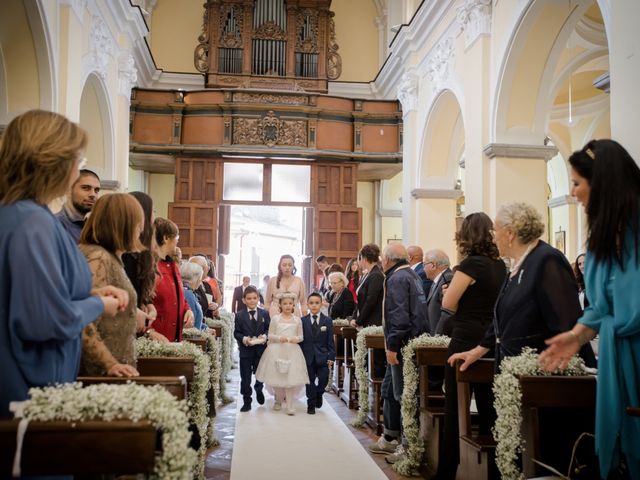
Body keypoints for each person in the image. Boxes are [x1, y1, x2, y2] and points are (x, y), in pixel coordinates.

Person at [0, 110, 126, 417]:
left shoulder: (27, 215)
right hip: (30, 389)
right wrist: (98, 307)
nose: (76, 171)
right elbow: (43, 321)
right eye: (77, 162)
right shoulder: (32, 222)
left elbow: (40, 296)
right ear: (53, 162)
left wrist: (90, 296)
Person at [540, 139, 640, 480]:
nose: (574, 192)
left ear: (602, 184)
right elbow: (604, 305)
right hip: (617, 350)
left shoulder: (634, 232)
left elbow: (629, 304)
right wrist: (576, 335)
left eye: (578, 183)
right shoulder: (604, 234)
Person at [435, 212, 507, 480]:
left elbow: (448, 304)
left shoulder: (470, 265)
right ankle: (494, 472)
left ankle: (447, 472)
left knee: (454, 405)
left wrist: (448, 293)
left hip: (465, 337)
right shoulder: (500, 265)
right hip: (490, 339)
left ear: (466, 235)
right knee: (489, 404)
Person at [368, 243, 428, 466]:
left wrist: (392, 346)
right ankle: (391, 436)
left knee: (402, 395)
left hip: (402, 345)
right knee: (389, 390)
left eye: (383, 258)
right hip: (408, 342)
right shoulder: (411, 274)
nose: (382, 261)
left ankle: (406, 445)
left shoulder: (397, 279)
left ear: (388, 260)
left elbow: (400, 316)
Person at [79, 193, 144, 377]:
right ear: (123, 224)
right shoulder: (99, 257)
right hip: (102, 372)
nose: (140, 230)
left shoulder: (110, 257)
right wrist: (109, 364)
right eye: (137, 223)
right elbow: (85, 319)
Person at [255, 292, 310, 415]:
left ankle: (290, 404)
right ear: (280, 305)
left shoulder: (297, 320)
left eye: (290, 303)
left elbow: (301, 336)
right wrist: (279, 338)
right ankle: (278, 399)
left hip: (292, 351)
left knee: (290, 377)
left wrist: (296, 339)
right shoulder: (275, 319)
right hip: (277, 349)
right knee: (277, 376)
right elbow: (270, 335)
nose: (288, 306)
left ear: (293, 305)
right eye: (285, 303)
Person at [122, 191, 158, 336]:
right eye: (153, 211)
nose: (154, 216)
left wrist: (148, 304)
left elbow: (138, 290)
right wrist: (133, 310)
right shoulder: (122, 254)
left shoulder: (141, 254)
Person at [152, 217, 193, 342]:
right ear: (165, 238)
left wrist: (188, 310)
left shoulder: (173, 266)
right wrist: (149, 330)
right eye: (177, 238)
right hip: (157, 337)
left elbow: (179, 296)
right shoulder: (151, 266)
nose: (177, 242)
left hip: (173, 337)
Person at [234, 286, 271, 412]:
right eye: (249, 298)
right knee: (245, 377)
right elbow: (236, 333)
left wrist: (264, 336)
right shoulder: (239, 315)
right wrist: (244, 339)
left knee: (260, 374)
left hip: (260, 351)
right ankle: (247, 400)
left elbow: (268, 329)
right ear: (244, 300)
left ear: (258, 298)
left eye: (254, 298)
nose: (252, 301)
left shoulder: (264, 313)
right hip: (246, 351)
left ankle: (259, 388)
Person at [301, 292, 335, 415]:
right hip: (308, 357)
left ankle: (319, 393)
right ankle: (311, 404)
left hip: (323, 357)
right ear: (307, 305)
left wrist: (331, 356)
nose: (314, 305)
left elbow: (330, 341)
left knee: (323, 379)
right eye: (311, 303)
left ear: (321, 304)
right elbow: (301, 341)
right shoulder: (302, 321)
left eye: (317, 303)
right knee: (309, 381)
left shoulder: (327, 321)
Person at [56, 168, 101, 243]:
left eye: (96, 190)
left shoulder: (95, 226)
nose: (93, 194)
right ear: (69, 189)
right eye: (85, 188)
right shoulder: (56, 225)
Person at [350, 243, 384, 328]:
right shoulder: (367, 274)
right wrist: (354, 317)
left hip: (372, 322)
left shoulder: (376, 275)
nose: (358, 262)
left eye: (359, 259)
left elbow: (370, 301)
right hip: (363, 320)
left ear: (364, 258)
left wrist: (359, 320)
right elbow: (359, 300)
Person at [423, 249, 453, 335]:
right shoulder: (438, 280)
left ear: (433, 265)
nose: (423, 269)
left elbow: (447, 312)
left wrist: (437, 336)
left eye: (424, 265)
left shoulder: (447, 279)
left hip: (440, 337)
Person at [180, 261, 205, 331]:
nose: (200, 282)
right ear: (196, 278)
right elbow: (190, 324)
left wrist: (205, 328)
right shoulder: (187, 294)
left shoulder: (186, 290)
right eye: (200, 278)